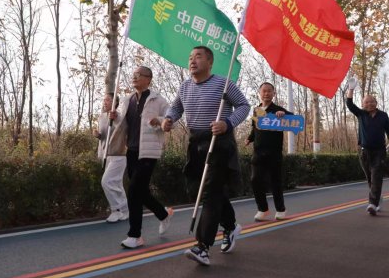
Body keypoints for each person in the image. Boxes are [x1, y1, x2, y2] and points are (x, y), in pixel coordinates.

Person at [162, 46, 250, 266]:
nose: (193, 60)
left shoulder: (223, 83)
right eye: (190, 57)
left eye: (198, 57)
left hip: (218, 142)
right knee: (199, 189)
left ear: (210, 62)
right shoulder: (185, 86)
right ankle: (230, 226)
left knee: (210, 192)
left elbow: (244, 105)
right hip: (196, 142)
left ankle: (203, 246)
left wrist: (227, 123)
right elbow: (176, 108)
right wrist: (169, 119)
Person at [110, 66, 173, 248]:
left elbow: (171, 120)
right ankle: (163, 214)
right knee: (141, 192)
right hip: (131, 151)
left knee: (133, 191)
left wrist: (160, 121)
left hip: (149, 152)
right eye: (134, 75)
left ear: (148, 79)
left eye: (139, 75)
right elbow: (122, 123)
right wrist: (115, 117)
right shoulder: (127, 100)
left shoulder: (158, 100)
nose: (134, 77)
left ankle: (135, 235)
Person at [345, 77, 389, 216]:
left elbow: (388, 129)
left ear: (376, 103)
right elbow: (349, 104)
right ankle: (377, 198)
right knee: (370, 178)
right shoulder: (361, 114)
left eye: (372, 101)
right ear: (363, 104)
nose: (369, 104)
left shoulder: (383, 115)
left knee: (376, 175)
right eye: (366, 102)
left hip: (379, 151)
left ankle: (372, 203)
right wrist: (351, 89)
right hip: (364, 151)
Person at [245, 82, 293, 222]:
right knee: (255, 180)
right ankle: (263, 209)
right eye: (264, 91)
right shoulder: (256, 110)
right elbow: (254, 128)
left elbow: (293, 118)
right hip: (258, 152)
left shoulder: (278, 109)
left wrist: (284, 115)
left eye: (269, 91)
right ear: (260, 93)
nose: (266, 93)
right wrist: (249, 138)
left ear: (273, 93)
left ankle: (280, 210)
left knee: (275, 182)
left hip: (274, 153)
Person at [93, 93, 128, 223]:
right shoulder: (102, 117)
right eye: (104, 100)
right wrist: (98, 135)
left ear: (115, 102)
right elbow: (104, 135)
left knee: (106, 182)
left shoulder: (120, 116)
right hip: (106, 154)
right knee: (117, 184)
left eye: (108, 100)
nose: (105, 102)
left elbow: (122, 127)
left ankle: (116, 210)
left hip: (119, 154)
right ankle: (125, 209)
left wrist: (116, 116)